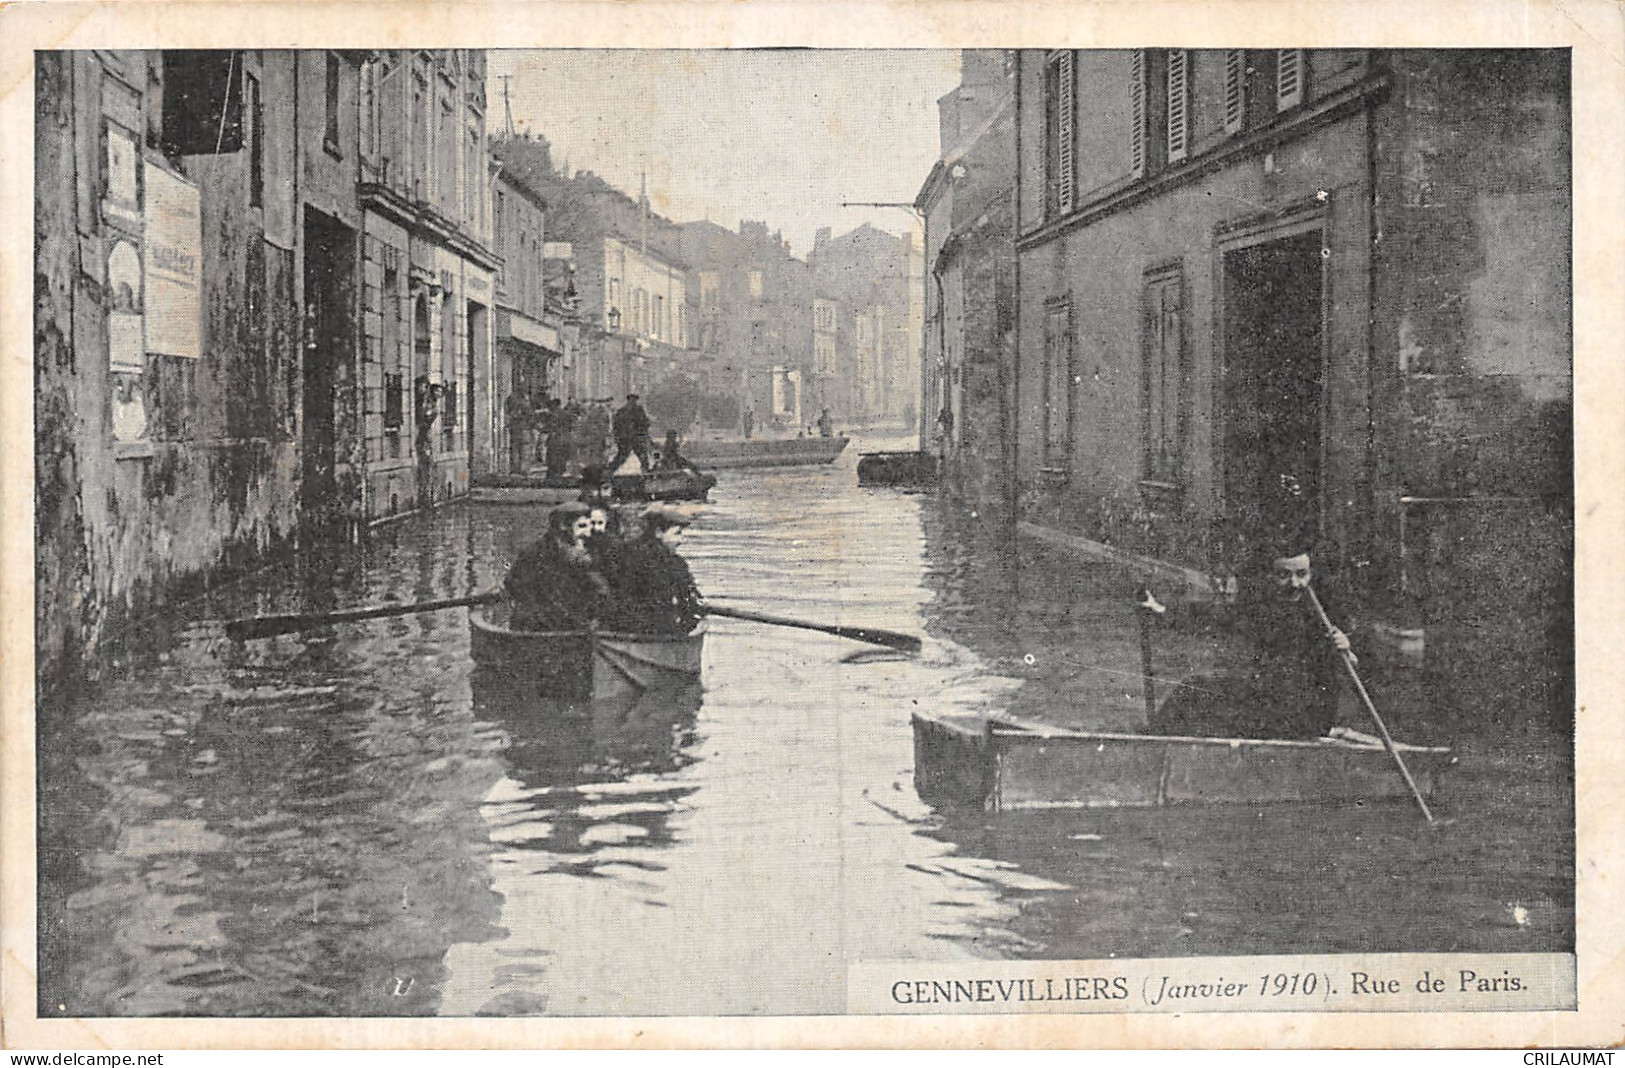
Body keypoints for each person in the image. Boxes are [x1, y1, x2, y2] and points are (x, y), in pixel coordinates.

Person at [1146, 541, 1353, 741]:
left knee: (1209, 707)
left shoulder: (1324, 612)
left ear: (1311, 574)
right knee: (1192, 690)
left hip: (1307, 715)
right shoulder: (1267, 607)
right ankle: (1152, 744)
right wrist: (1161, 609)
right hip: (1270, 700)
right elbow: (1217, 616)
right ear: (1271, 576)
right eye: (1283, 575)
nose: (1294, 583)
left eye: (1301, 574)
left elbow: (1356, 666)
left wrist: (1347, 649)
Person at [503, 502, 609, 632]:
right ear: (563, 526)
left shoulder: (590, 551)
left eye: (589, 526)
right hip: (541, 628)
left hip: (578, 625)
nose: (587, 534)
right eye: (582, 526)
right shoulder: (534, 554)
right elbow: (516, 588)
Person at [603, 505, 703, 636]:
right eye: (677, 533)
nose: (681, 540)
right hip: (655, 628)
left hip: (623, 628)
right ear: (658, 532)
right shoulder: (667, 563)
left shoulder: (627, 552)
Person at [611, 393, 653, 472]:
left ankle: (645, 472)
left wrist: (644, 433)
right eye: (631, 400)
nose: (633, 402)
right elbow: (616, 425)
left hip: (636, 438)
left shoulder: (639, 410)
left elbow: (646, 423)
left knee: (642, 456)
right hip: (626, 438)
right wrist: (617, 436)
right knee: (621, 457)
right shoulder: (622, 411)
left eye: (634, 400)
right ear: (628, 400)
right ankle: (609, 472)